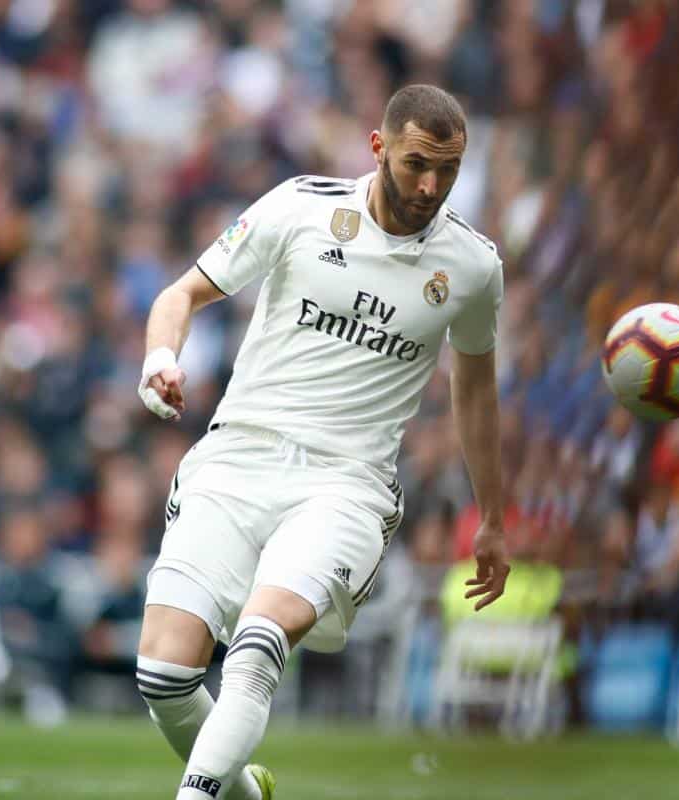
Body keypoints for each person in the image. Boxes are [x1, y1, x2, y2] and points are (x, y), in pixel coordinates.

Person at [134, 84, 510, 800]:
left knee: (257, 645)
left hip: (346, 484)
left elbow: (476, 393)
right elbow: (180, 294)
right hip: (238, 456)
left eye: (449, 170)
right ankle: (245, 793)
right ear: (378, 148)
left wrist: (491, 516)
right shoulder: (300, 207)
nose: (431, 187)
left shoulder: (472, 265)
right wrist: (160, 360)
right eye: (416, 164)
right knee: (164, 675)